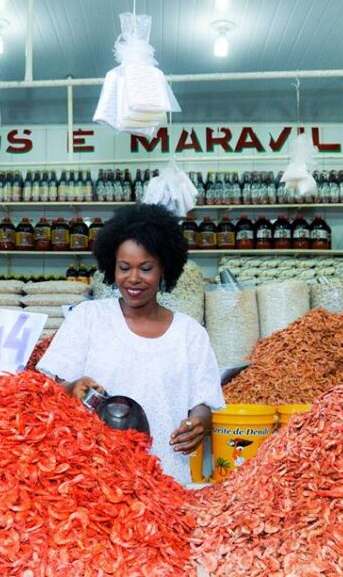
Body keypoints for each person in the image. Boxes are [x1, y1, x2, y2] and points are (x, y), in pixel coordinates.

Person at [38, 203, 225, 482]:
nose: (133, 279)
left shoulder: (189, 333)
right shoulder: (88, 318)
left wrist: (198, 424)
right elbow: (46, 391)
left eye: (146, 268)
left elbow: (203, 402)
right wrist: (71, 388)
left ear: (164, 269)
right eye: (124, 267)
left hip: (167, 477)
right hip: (93, 477)